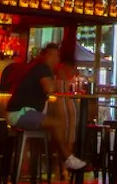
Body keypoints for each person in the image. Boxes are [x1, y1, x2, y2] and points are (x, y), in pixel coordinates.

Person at [5, 43, 86, 171]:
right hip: (21, 113)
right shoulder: (43, 68)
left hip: (15, 113)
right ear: (47, 56)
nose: (57, 60)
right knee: (58, 123)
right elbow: (49, 88)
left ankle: (22, 171)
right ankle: (67, 159)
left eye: (58, 56)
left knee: (56, 122)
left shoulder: (37, 67)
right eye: (55, 56)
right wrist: (57, 83)